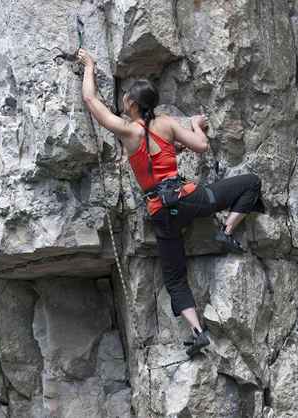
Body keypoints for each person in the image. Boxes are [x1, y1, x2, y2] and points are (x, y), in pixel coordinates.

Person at [76, 49, 265, 357]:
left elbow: (90, 101)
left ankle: (198, 332)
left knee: (174, 277)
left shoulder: (128, 131)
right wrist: (193, 124)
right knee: (250, 183)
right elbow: (201, 146)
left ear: (133, 105)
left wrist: (89, 67)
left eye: (125, 99)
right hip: (188, 198)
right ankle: (227, 230)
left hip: (160, 213)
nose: (123, 102)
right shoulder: (166, 123)